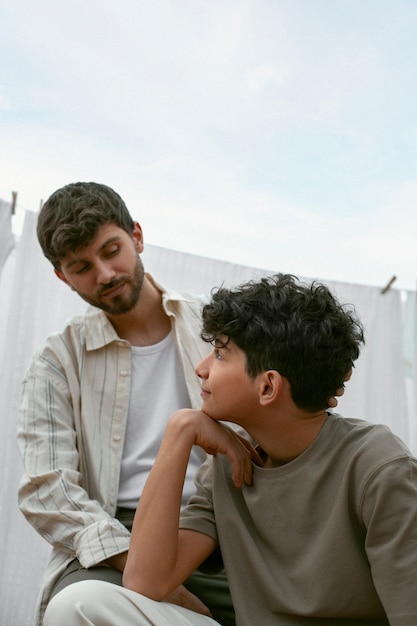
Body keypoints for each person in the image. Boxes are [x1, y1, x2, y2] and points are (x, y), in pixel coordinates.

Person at [43, 273, 417, 625]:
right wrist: (179, 430)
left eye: (220, 354)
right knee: (78, 605)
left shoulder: (378, 467)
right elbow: (146, 582)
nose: (201, 368)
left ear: (268, 387)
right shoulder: (228, 465)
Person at [17, 182, 235, 625]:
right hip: (113, 539)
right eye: (81, 266)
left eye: (111, 250)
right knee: (72, 611)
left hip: (222, 530)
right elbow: (48, 488)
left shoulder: (216, 327)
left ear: (136, 236)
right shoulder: (56, 362)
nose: (104, 274)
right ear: (62, 276)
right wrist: (146, 569)